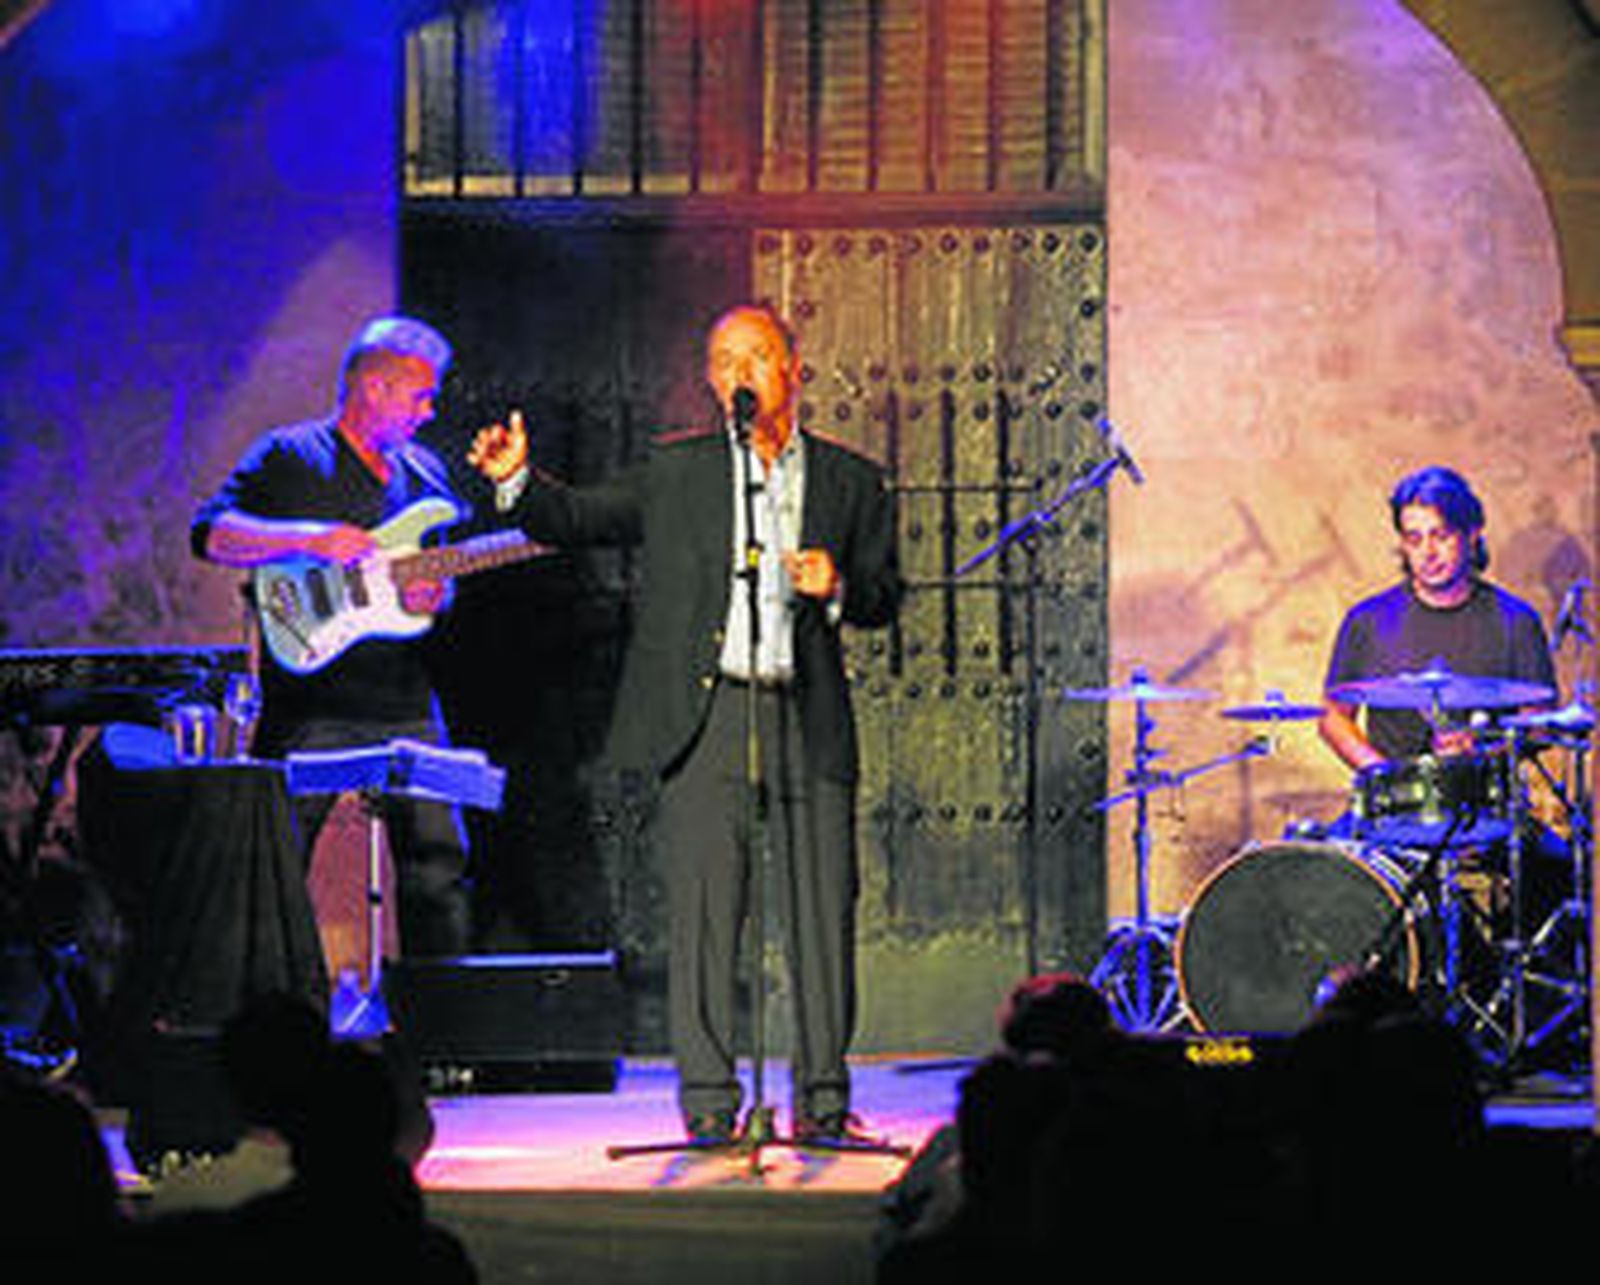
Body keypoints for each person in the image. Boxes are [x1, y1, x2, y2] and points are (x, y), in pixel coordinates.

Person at [469, 303, 901, 1144]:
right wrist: (518, 481)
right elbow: (575, 518)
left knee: (821, 910)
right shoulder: (679, 473)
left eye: (757, 356)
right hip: (710, 713)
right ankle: (708, 1101)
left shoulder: (851, 481)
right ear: (711, 380)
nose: (739, 372)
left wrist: (838, 583)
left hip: (804, 711)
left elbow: (886, 595)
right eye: (723, 359)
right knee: (705, 912)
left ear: (792, 369)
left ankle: (819, 1098)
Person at [191, 315, 471, 958]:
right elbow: (210, 534)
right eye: (420, 396)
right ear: (374, 388)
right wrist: (308, 538)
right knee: (274, 868)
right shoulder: (289, 455)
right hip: (310, 705)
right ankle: (276, 1027)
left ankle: (437, 1039)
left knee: (441, 868)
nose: (429, 412)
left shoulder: (427, 474)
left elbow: (440, 576)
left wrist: (438, 593)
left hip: (404, 700)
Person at [1319, 465, 1556, 771]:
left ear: (1471, 535)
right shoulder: (1367, 621)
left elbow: (1539, 725)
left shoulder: (1516, 621)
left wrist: (1483, 752)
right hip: (1393, 805)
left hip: (1483, 800)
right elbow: (1334, 716)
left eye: (1441, 536)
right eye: (1414, 540)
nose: (1428, 553)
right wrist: (1382, 774)